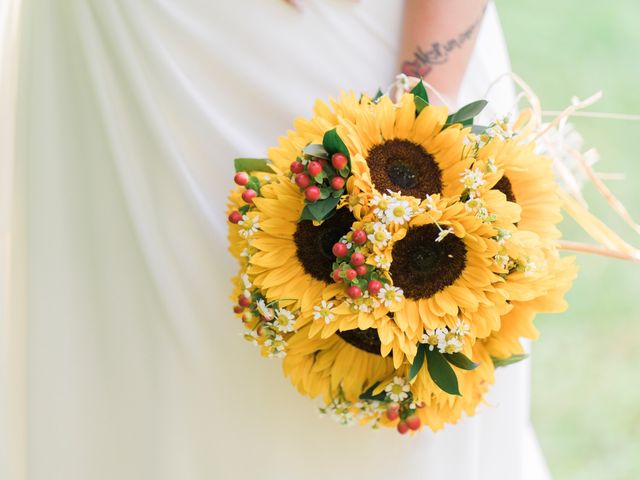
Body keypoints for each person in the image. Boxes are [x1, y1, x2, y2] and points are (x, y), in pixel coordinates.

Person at [0, 1, 548, 478]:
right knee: (131, 369)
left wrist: (416, 121)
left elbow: (418, 113)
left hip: (341, 49)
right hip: (124, 49)